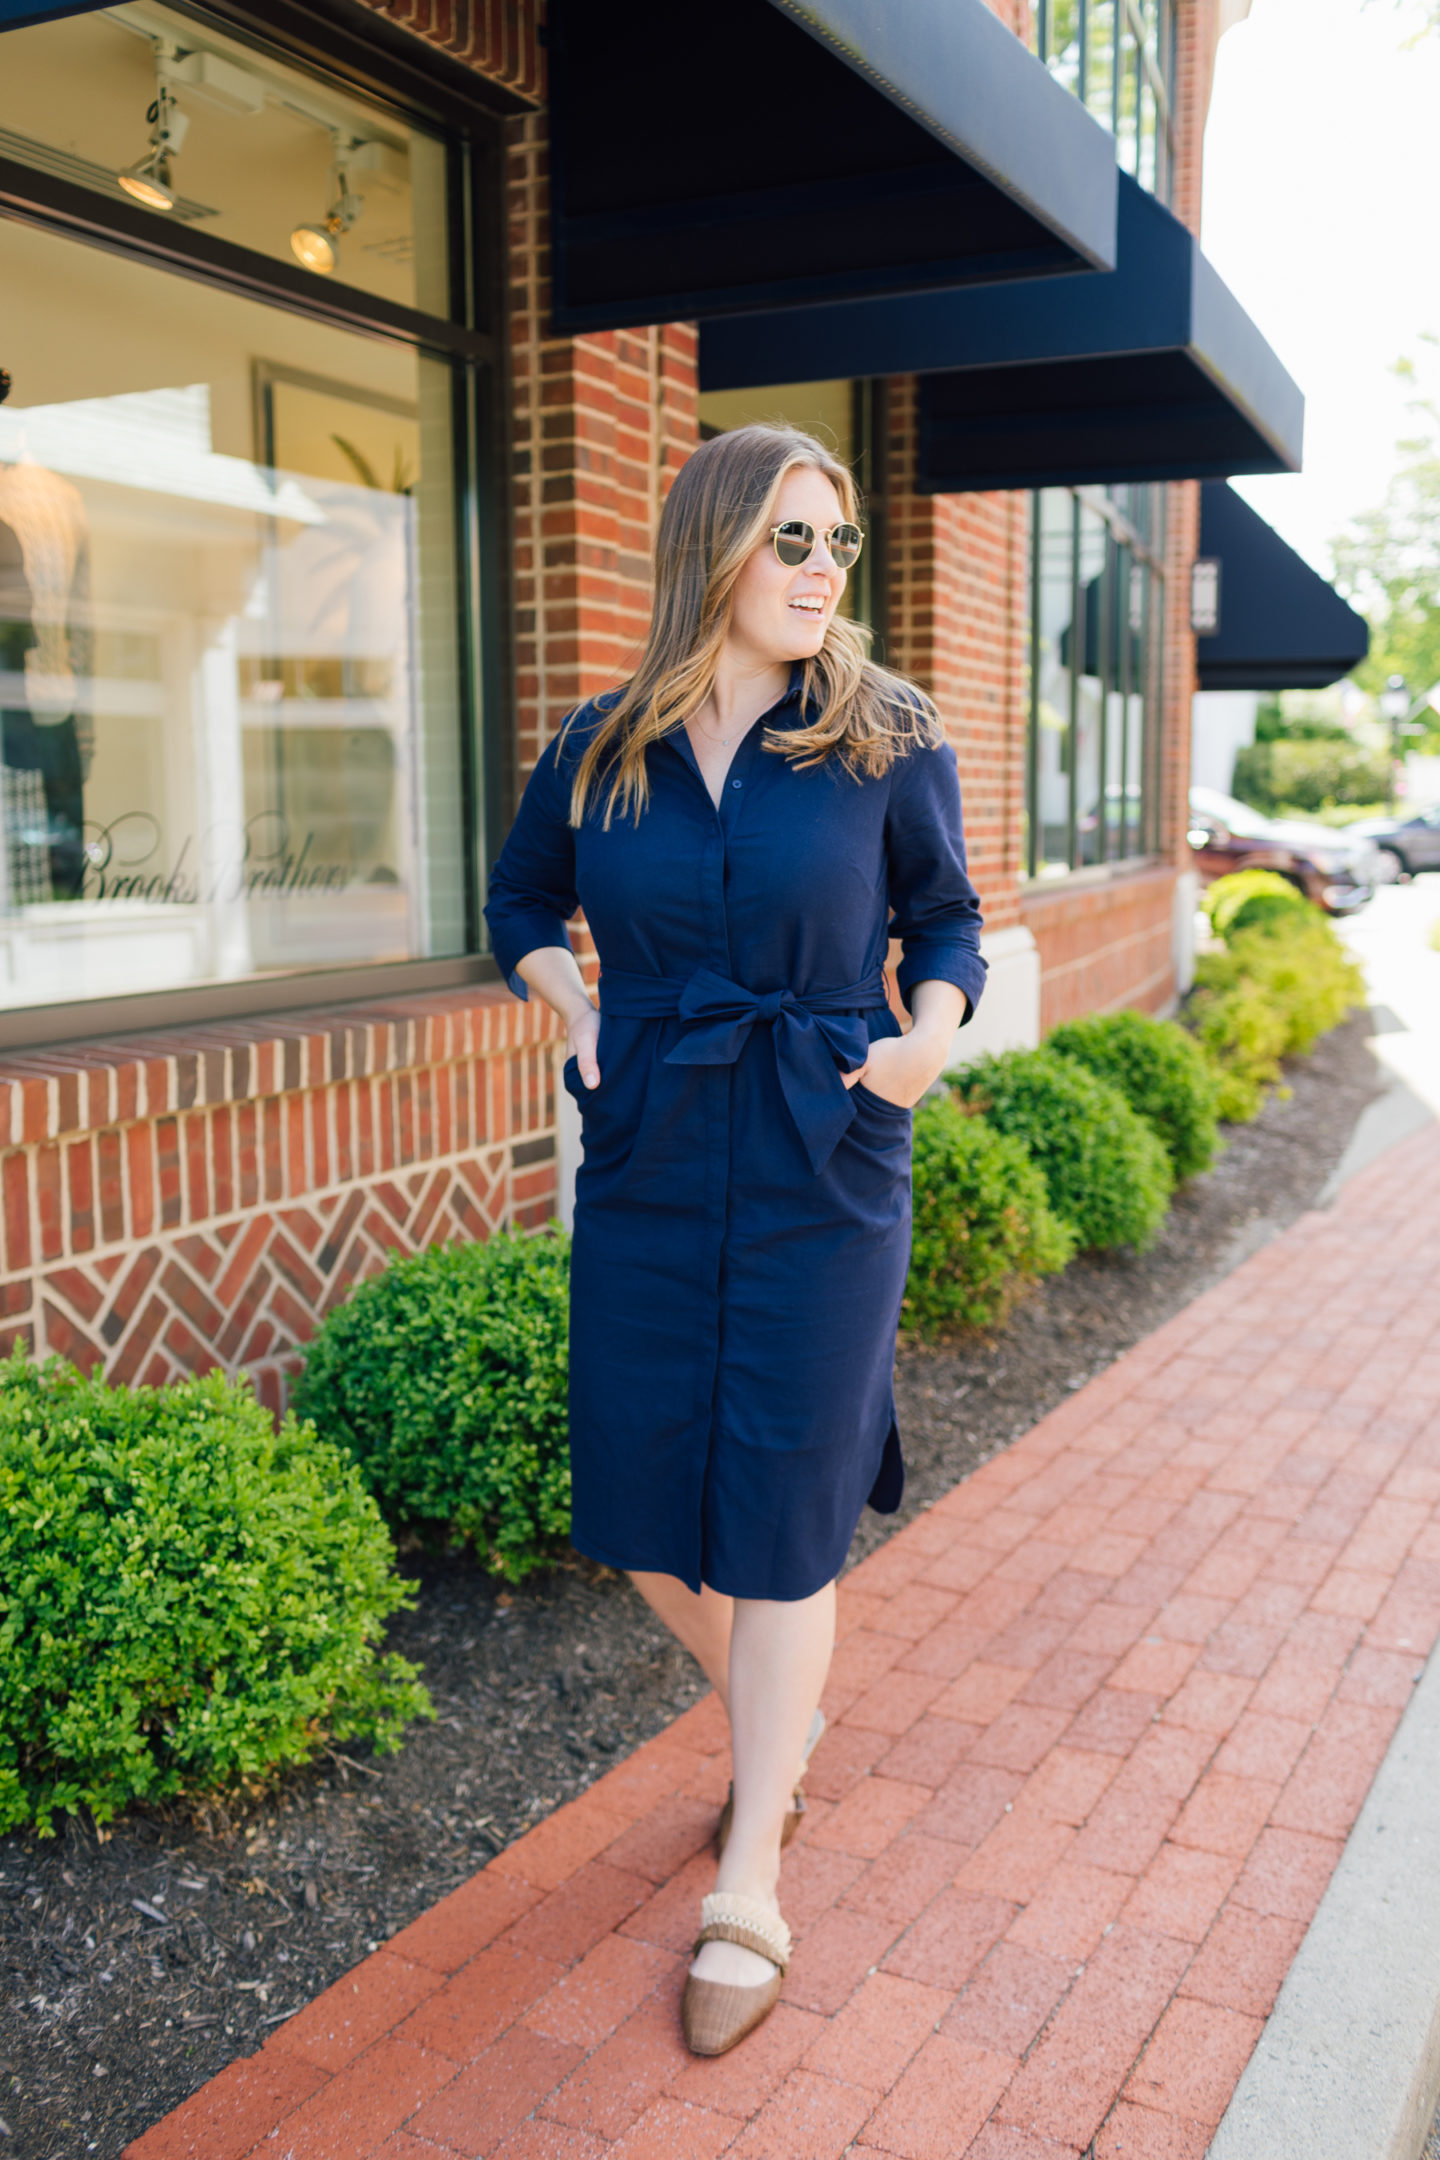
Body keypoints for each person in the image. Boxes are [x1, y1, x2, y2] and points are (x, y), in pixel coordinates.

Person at [485, 423, 985, 2056]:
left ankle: (751, 1869)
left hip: (824, 1142)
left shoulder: (884, 730)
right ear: (714, 546)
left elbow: (947, 917)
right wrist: (567, 1001)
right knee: (635, 1498)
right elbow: (517, 904)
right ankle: (788, 1718)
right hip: (648, 1141)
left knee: (782, 1502)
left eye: (837, 541)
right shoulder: (603, 742)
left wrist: (925, 1037)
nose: (824, 567)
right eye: (792, 538)